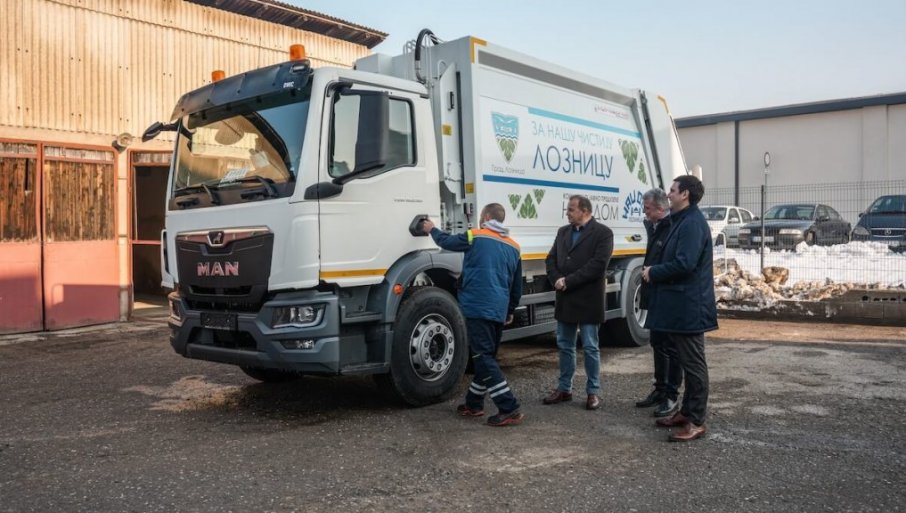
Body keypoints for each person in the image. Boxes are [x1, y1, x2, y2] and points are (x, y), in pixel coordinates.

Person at [423, 203, 524, 427]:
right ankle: (474, 403)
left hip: (478, 306)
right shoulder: (514, 246)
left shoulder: (475, 236)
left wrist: (431, 229)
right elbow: (516, 286)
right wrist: (509, 310)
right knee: (485, 357)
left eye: (481, 216)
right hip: (498, 309)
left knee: (483, 358)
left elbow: (447, 242)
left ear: (486, 217)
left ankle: (509, 407)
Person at [641, 175, 717, 442]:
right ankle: (685, 412)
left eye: (672, 190)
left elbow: (685, 263)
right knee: (686, 361)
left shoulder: (692, 224)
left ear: (684, 194)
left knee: (694, 365)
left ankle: (696, 420)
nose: (668, 194)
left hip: (690, 308)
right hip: (678, 306)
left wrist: (654, 272)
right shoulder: (681, 220)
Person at [542, 195, 614, 410]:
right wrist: (555, 278)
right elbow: (551, 259)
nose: (567, 212)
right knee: (565, 345)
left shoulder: (603, 233)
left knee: (590, 346)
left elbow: (598, 265)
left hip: (588, 298)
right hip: (565, 298)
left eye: (571, 209)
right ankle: (564, 389)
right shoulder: (563, 232)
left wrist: (568, 281)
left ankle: (593, 392)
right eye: (568, 209)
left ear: (585, 210)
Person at [635, 188, 684, 418]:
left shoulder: (672, 226)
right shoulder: (654, 227)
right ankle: (660, 389)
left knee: (671, 348)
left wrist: (654, 272)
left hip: (667, 296)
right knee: (657, 343)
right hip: (654, 294)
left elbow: (678, 263)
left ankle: (671, 394)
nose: (644, 212)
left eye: (647, 208)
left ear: (660, 208)